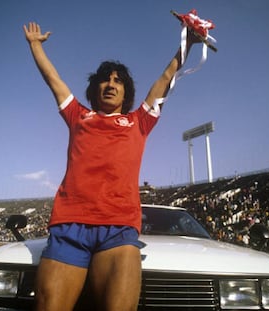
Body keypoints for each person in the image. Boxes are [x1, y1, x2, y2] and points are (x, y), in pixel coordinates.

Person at [23, 21, 200, 311]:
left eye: (118, 81)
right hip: (69, 226)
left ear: (125, 92)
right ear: (95, 89)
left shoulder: (139, 121)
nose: (111, 84)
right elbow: (53, 79)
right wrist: (35, 45)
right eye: (105, 79)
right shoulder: (77, 115)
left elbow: (167, 75)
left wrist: (188, 43)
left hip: (118, 229)